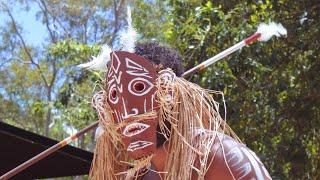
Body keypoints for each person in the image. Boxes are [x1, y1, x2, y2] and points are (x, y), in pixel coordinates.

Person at [86, 42, 272, 180]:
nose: (127, 114)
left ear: (170, 92)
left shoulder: (221, 157)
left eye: (139, 88)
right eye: (115, 97)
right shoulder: (137, 177)